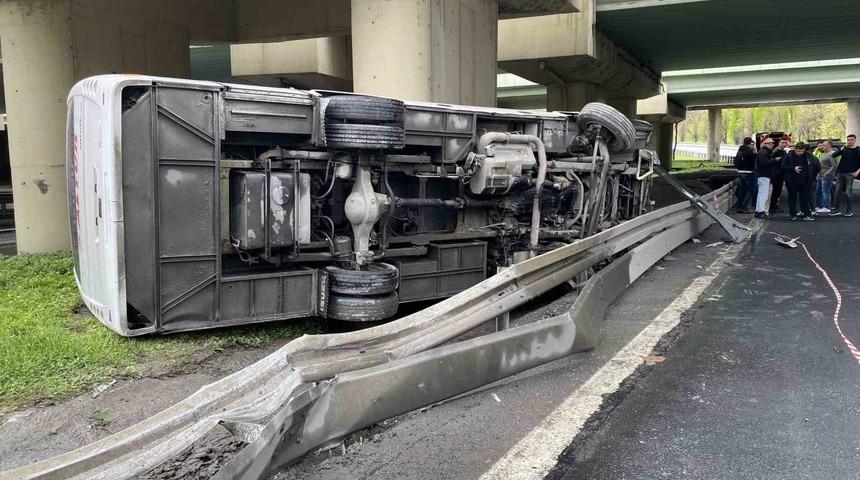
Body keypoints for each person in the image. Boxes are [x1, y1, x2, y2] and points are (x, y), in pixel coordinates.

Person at [781, 142, 815, 221]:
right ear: (795, 149)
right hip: (792, 181)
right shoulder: (789, 156)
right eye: (798, 151)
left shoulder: (807, 156)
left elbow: (813, 165)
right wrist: (793, 168)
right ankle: (793, 215)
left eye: (802, 151)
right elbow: (783, 167)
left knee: (805, 198)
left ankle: (806, 214)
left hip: (804, 180)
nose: (800, 153)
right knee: (792, 198)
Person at [832, 134, 860, 217]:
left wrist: (857, 172)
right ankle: (836, 210)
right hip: (840, 172)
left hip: (850, 174)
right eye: (848, 140)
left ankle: (849, 211)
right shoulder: (844, 149)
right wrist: (842, 148)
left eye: (851, 139)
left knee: (848, 192)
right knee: (837, 192)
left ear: (855, 140)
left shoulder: (858, 150)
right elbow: (834, 155)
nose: (850, 141)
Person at [733, 137, 757, 213]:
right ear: (750, 143)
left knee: (741, 190)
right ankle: (743, 206)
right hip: (748, 173)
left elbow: (736, 162)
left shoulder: (740, 150)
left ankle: (739, 205)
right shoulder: (749, 151)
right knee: (750, 190)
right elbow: (753, 163)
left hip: (740, 172)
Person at [754, 137, 776, 218]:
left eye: (772, 143)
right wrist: (774, 160)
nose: (772, 145)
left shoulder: (762, 152)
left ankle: (758, 210)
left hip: (761, 175)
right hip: (764, 175)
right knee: (764, 194)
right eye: (771, 143)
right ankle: (760, 211)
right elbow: (764, 163)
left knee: (761, 194)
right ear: (766, 144)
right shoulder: (764, 153)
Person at [769, 137, 790, 214]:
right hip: (776, 174)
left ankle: (775, 205)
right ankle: (772, 206)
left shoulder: (784, 152)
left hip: (781, 174)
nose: (784, 144)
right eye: (782, 143)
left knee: (778, 190)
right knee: (776, 190)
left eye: (785, 143)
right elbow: (772, 162)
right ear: (779, 143)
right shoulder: (775, 152)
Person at [815, 140, 837, 214]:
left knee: (825, 191)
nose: (822, 146)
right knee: (818, 191)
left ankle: (827, 207)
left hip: (827, 176)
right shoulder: (824, 153)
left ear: (829, 146)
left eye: (824, 145)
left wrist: (827, 173)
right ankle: (819, 206)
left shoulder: (832, 154)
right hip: (820, 175)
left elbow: (834, 166)